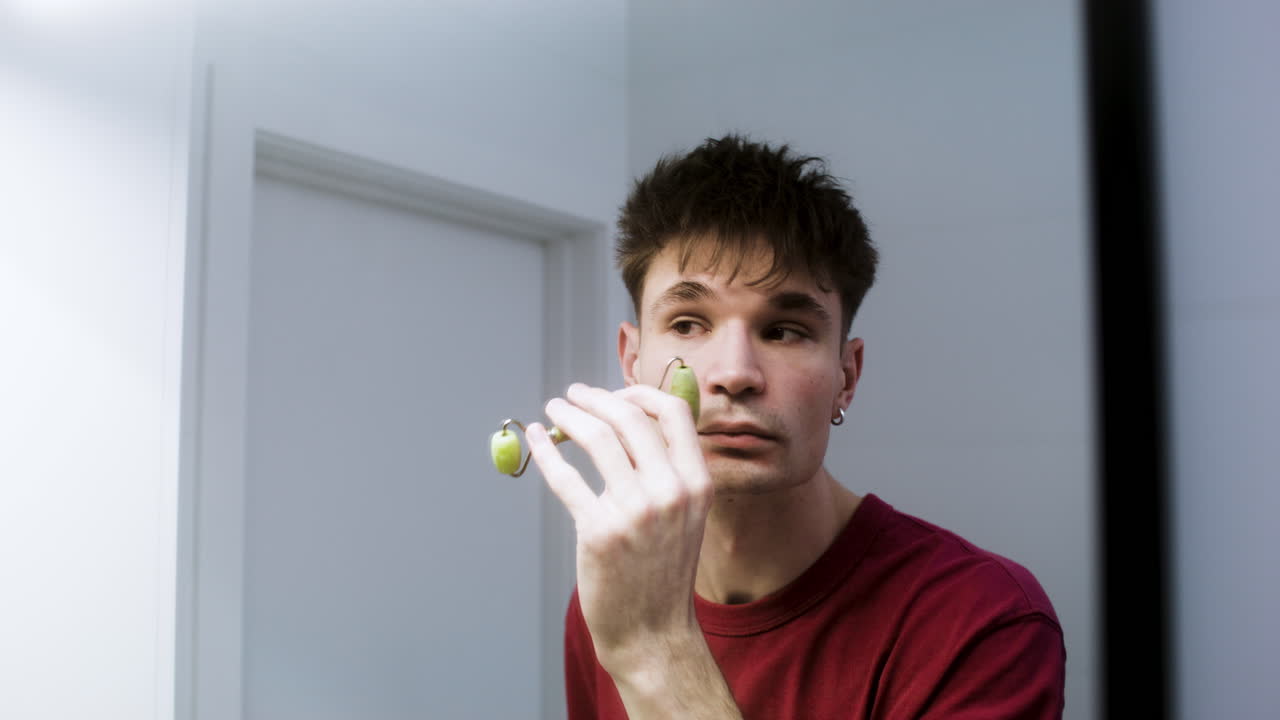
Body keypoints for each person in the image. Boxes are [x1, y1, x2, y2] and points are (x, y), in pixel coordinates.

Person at [525, 135, 1065, 719]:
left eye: (784, 331)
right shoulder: (617, 595)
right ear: (632, 362)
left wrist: (655, 650)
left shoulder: (984, 621)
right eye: (687, 324)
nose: (734, 374)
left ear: (846, 376)